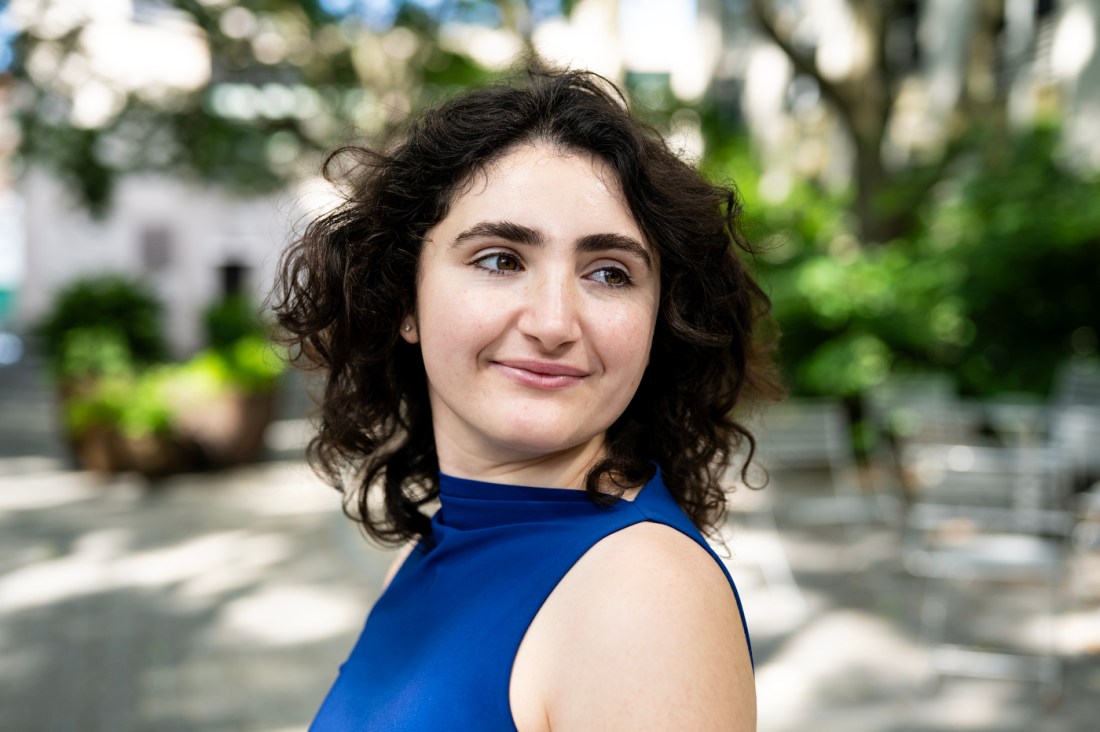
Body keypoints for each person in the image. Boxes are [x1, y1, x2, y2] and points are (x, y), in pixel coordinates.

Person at [272, 65, 780, 731]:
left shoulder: (642, 595)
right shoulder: (426, 551)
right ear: (405, 299)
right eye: (500, 259)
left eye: (609, 273)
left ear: (659, 323)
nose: (552, 322)